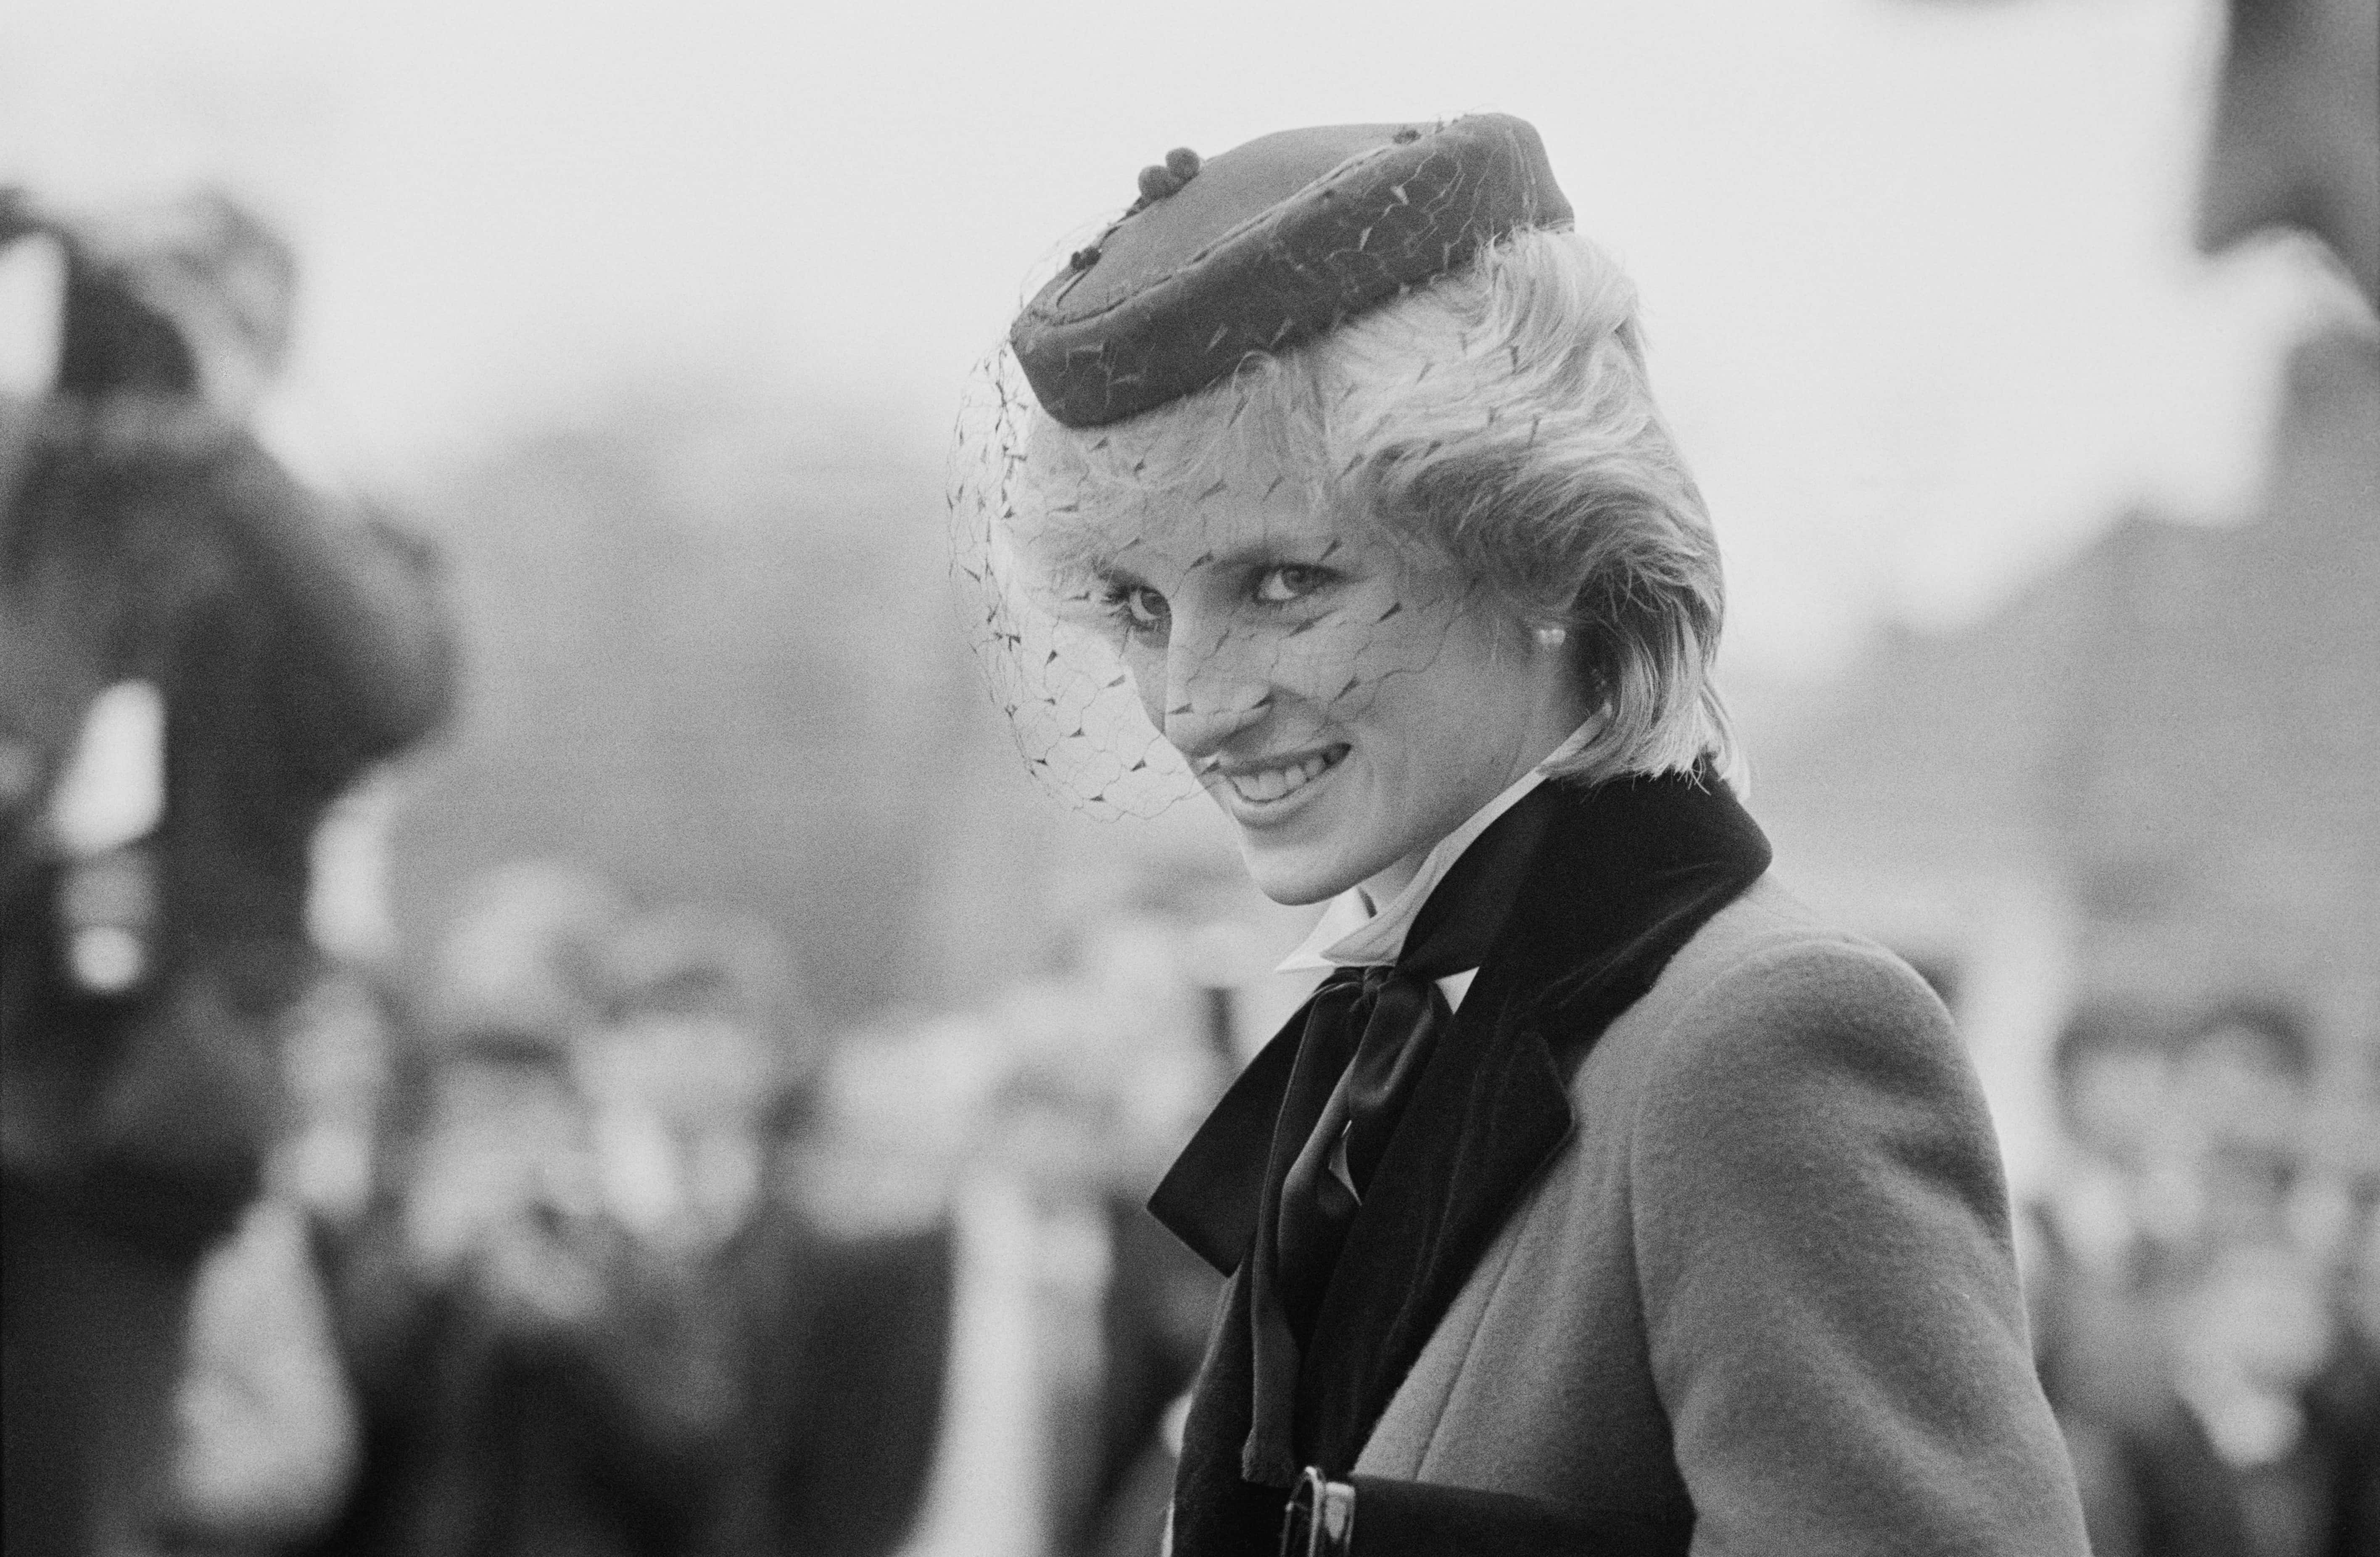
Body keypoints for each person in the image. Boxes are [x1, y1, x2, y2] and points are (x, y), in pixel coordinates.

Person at [951, 116, 2091, 1555]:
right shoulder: (1407, 1022)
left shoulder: (1758, 1046)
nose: (1192, 704)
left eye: (1285, 582)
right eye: (1139, 605)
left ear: (1542, 543)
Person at [1, 187, 454, 1557]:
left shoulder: (320, 534)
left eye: (211, 313)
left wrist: (231, 446)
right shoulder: (41, 494)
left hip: (147, 1109)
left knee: (71, 1507)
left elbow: (398, 692)